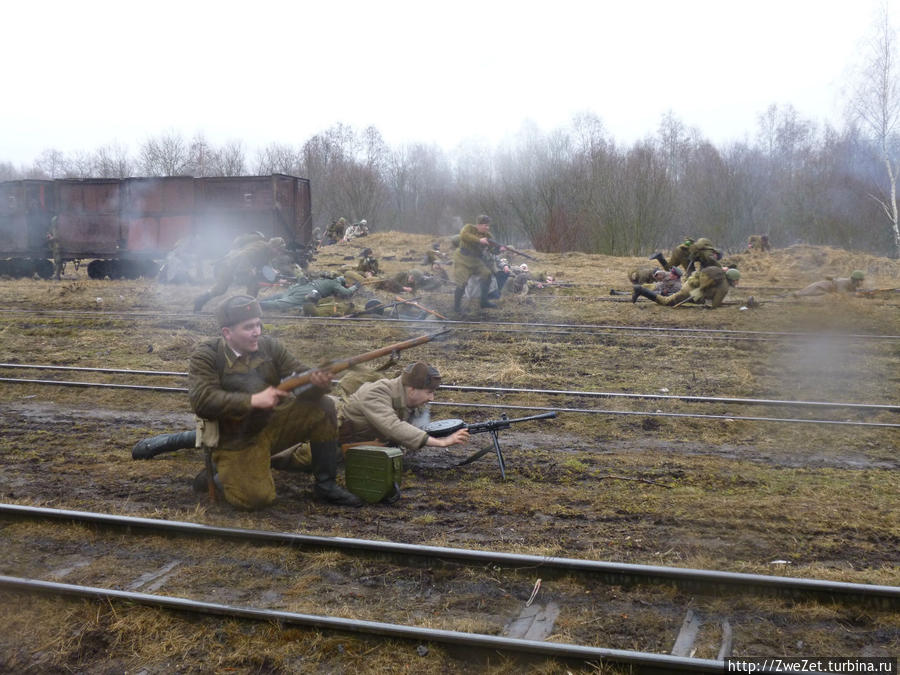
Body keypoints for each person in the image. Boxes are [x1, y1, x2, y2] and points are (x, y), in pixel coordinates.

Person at [188, 295, 362, 509]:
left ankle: (325, 486)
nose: (257, 332)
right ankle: (218, 475)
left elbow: (299, 374)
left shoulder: (269, 346)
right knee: (257, 499)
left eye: (258, 325)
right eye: (248, 327)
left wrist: (317, 383)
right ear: (227, 333)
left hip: (271, 423)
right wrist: (252, 400)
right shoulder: (207, 355)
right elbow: (202, 399)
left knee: (323, 405)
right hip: (235, 438)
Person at [338, 361, 470, 451]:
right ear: (412, 390)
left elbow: (414, 426)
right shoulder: (377, 393)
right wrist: (442, 442)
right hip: (333, 446)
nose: (431, 398)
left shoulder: (406, 397)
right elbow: (393, 426)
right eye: (429, 392)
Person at [193, 236, 288, 312]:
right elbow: (244, 255)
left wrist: (274, 273)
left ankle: (248, 307)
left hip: (237, 267)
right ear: (272, 246)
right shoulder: (260, 247)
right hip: (228, 266)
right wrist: (248, 269)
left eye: (280, 251)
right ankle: (199, 300)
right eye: (278, 250)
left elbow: (266, 265)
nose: (279, 253)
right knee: (220, 289)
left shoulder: (267, 253)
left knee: (254, 283)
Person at [452, 214, 503, 312]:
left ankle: (484, 301)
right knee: (462, 282)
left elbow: (492, 250)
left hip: (475, 260)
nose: (487, 228)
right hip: (462, 258)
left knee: (487, 274)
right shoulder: (469, 228)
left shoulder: (488, 236)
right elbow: (464, 235)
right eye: (485, 225)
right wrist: (479, 240)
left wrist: (499, 249)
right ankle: (457, 308)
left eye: (488, 225)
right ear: (479, 225)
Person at [633, 266, 740, 308]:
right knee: (666, 302)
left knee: (698, 301)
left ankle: (642, 290)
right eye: (736, 280)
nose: (737, 283)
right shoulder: (724, 286)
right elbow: (715, 305)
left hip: (691, 284)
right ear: (732, 278)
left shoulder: (719, 276)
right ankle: (641, 290)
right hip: (690, 291)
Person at [259, 275, 359, 312]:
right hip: (307, 292)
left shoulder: (326, 278)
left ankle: (259, 301)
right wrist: (356, 286)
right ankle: (258, 305)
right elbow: (347, 292)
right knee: (282, 303)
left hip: (300, 286)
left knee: (281, 295)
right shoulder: (335, 284)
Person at [791, 270, 865, 296]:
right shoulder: (843, 282)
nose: (862, 282)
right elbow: (842, 295)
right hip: (820, 287)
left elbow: (853, 291)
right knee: (801, 294)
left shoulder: (851, 283)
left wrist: (864, 293)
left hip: (824, 289)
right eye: (861, 280)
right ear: (856, 280)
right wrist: (857, 294)